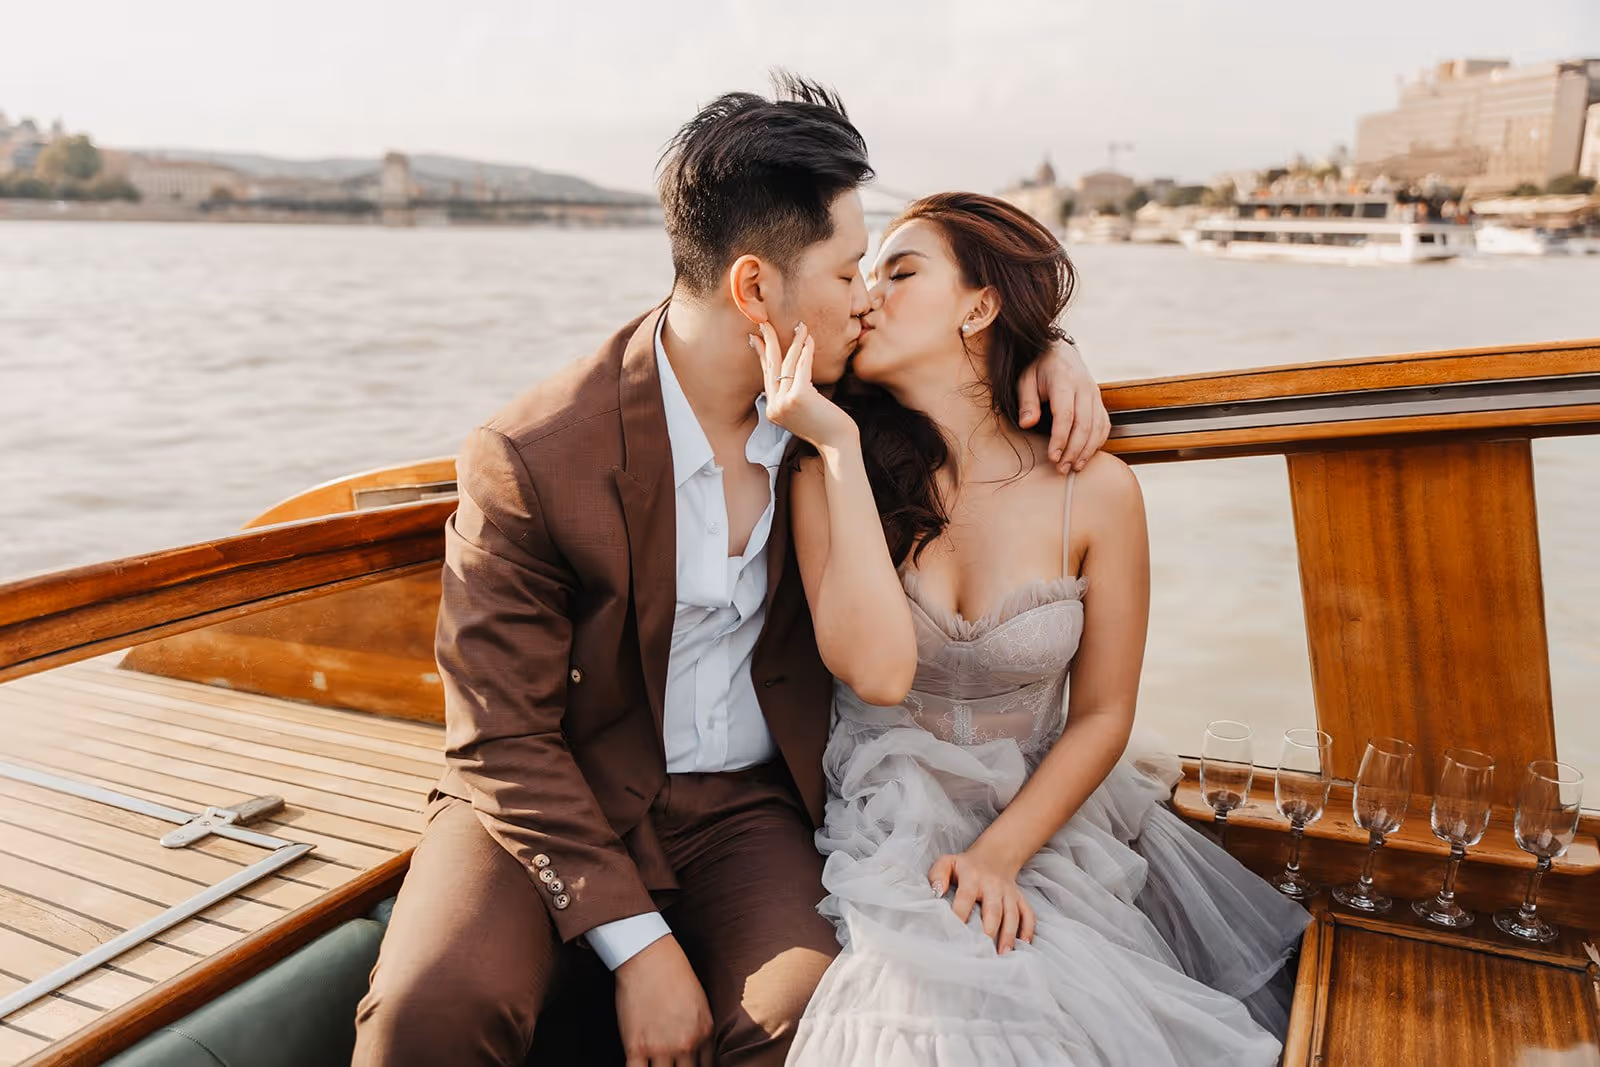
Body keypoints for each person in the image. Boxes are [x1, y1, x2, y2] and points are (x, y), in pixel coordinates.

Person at [351, 76, 1109, 1067]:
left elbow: (960, 357)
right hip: (554, 789)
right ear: (754, 289)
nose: (867, 300)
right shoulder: (533, 455)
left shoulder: (840, 409)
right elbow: (500, 734)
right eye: (848, 273)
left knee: (809, 1020)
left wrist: (1050, 352)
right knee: (430, 1011)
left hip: (748, 804)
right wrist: (637, 945)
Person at [760, 192, 1311, 1067]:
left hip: (1041, 814)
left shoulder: (1098, 491)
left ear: (979, 307)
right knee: (930, 1010)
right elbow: (870, 671)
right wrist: (835, 449)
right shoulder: (826, 464)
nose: (867, 297)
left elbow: (1103, 713)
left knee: (1056, 996)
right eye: (865, 275)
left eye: (900, 273)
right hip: (886, 814)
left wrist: (999, 854)